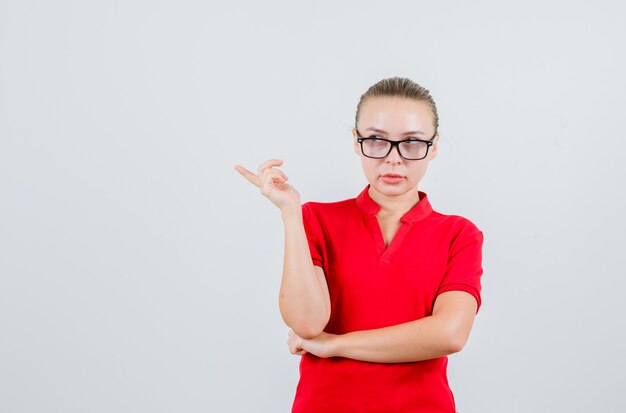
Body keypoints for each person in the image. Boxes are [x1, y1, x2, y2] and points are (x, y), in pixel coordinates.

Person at [234, 76, 484, 413]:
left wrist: (333, 345)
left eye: (412, 142)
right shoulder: (316, 219)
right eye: (377, 140)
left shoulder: (459, 233)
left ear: (434, 145)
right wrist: (290, 213)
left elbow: (449, 334)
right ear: (356, 140)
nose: (393, 159)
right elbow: (307, 324)